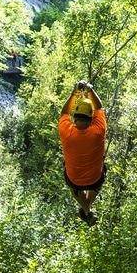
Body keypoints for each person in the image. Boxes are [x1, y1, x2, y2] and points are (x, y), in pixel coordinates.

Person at [58, 80, 106, 226]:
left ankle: (87, 210)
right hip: (95, 179)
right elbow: (100, 107)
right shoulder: (99, 130)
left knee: (72, 183)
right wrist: (90, 90)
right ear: (91, 118)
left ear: (75, 117)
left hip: (75, 180)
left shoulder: (66, 131)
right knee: (103, 169)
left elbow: (64, 112)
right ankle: (87, 208)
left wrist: (75, 93)